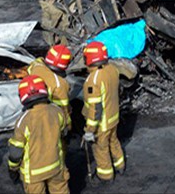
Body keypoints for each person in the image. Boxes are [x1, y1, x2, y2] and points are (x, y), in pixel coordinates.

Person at [7, 75, 70, 193]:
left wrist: (12, 168)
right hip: (56, 166)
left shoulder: (24, 120)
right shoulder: (57, 111)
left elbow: (16, 151)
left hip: (33, 175)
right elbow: (64, 134)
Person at [82, 41, 125, 183]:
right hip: (114, 117)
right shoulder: (112, 69)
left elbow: (95, 108)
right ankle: (120, 165)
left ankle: (106, 176)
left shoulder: (93, 80)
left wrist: (90, 130)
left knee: (101, 148)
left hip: (103, 123)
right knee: (114, 141)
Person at [26, 44, 72, 123]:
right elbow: (63, 109)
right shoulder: (60, 84)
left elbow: (35, 64)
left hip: (29, 111)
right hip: (47, 117)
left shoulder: (36, 66)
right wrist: (68, 124)